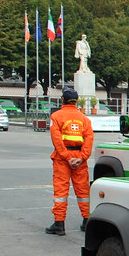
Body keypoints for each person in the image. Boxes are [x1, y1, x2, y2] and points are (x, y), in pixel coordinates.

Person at [45, 88, 93, 235]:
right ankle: (87, 221)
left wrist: (67, 157)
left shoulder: (56, 116)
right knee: (83, 191)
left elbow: (57, 140)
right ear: (76, 101)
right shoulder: (84, 119)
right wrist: (81, 157)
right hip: (79, 158)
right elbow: (89, 139)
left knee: (61, 191)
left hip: (62, 158)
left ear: (63, 100)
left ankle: (59, 224)